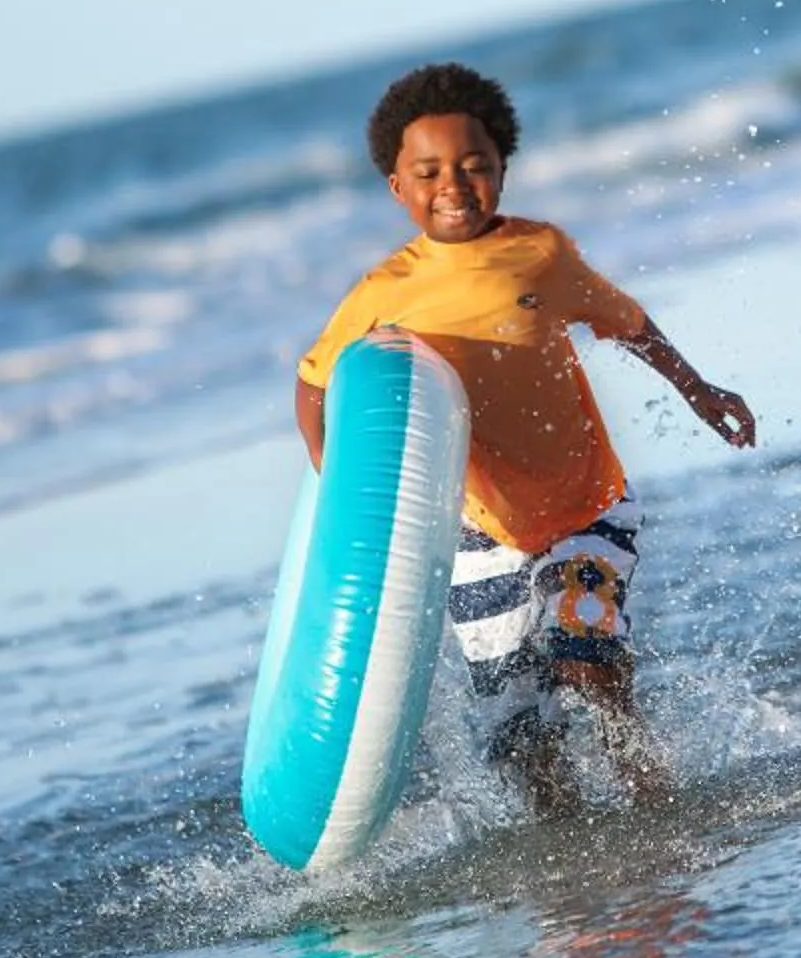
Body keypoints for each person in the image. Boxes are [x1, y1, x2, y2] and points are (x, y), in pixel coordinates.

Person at [295, 62, 756, 813]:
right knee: (518, 730)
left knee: (587, 655)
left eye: (475, 166)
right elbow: (315, 381)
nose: (455, 184)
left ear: (503, 168)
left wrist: (700, 391)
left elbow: (629, 325)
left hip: (586, 504)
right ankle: (566, 851)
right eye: (430, 171)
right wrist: (337, 484)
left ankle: (654, 800)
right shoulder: (384, 293)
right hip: (479, 531)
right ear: (397, 186)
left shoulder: (541, 252)